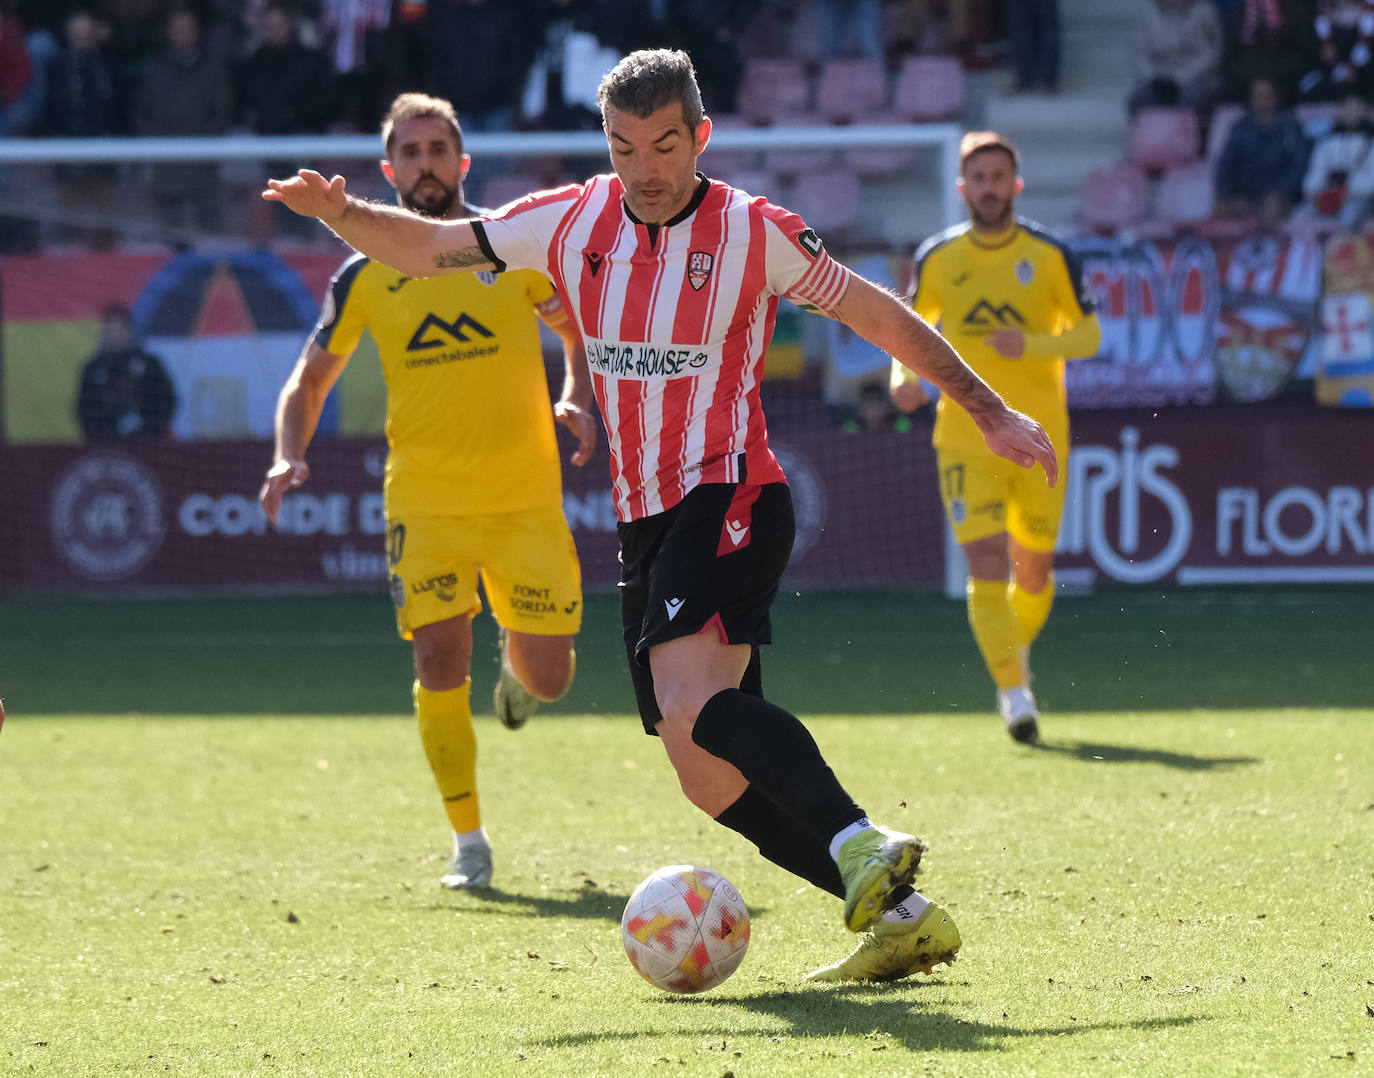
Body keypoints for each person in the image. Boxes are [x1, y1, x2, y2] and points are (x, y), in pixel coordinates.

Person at [264, 49, 1059, 984]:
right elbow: (428, 251)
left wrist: (987, 406)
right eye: (625, 146)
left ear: (701, 138)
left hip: (731, 494)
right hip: (647, 522)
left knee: (691, 705)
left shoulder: (752, 232)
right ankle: (907, 919)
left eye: (665, 145)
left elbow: (881, 320)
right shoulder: (568, 221)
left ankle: (858, 841)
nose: (644, 169)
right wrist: (342, 214)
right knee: (703, 765)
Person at [259, 92, 597, 893]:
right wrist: (285, 455)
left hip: (524, 501)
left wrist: (578, 391)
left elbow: (575, 331)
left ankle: (520, 676)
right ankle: (468, 839)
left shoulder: (508, 249)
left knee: (551, 678)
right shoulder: (362, 272)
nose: (425, 164)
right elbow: (309, 381)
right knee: (439, 660)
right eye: (409, 152)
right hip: (426, 504)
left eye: (437, 149)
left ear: (462, 162)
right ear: (389, 170)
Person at [891, 131, 1100, 746]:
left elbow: (1088, 338)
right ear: (962, 188)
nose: (988, 188)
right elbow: (905, 334)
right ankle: (1014, 693)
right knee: (985, 563)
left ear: (1016, 184)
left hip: (1039, 439)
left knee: (1031, 572)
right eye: (977, 178)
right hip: (963, 436)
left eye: (997, 177)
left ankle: (1009, 655)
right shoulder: (937, 257)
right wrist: (903, 379)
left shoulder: (1051, 254)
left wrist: (1032, 344)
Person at [1213, 74, 1310, 230]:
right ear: (1251, 99)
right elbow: (1225, 165)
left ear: (1275, 98)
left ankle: (1270, 254)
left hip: (1279, 197)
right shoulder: (1240, 128)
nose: (1262, 101)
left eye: (1266, 96)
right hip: (1245, 195)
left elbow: (1299, 166)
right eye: (1257, 96)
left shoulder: (1291, 127)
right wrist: (1222, 196)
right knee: (1220, 213)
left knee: (1271, 211)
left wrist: (1280, 192)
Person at [77, 304, 177, 441]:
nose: (115, 335)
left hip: (147, 441)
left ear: (129, 332)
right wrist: (98, 433)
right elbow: (84, 407)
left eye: (119, 329)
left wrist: (153, 430)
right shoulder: (93, 367)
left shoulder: (149, 364)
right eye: (110, 330)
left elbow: (166, 400)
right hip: (106, 443)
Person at [1127, 0, 1224, 114]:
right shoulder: (1148, 14)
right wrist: (1154, 79)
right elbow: (1140, 54)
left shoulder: (1206, 12)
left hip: (1195, 80)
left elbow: (1211, 54)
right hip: (1157, 80)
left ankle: (1184, 131)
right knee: (1138, 100)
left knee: (1192, 99)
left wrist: (1178, 80)